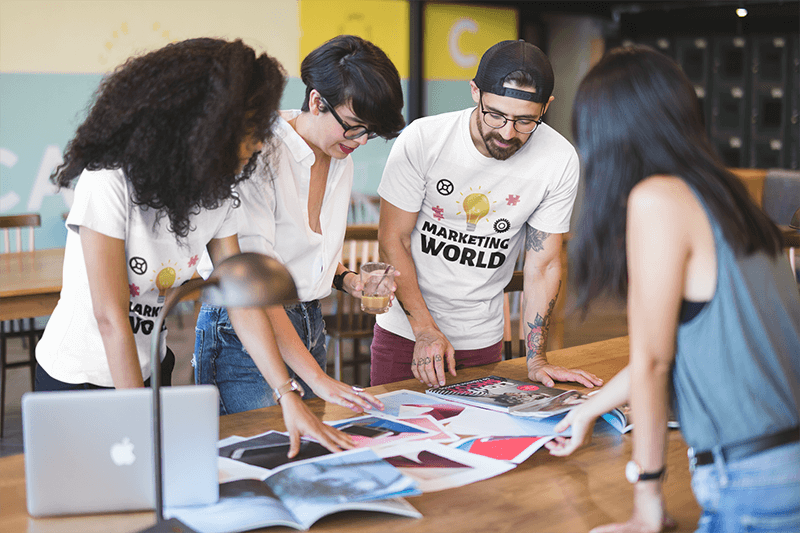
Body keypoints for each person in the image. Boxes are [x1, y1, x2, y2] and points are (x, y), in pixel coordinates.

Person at [36, 38, 356, 456]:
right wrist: (140, 424)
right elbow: (110, 316)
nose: (260, 143)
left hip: (150, 367)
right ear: (207, 125)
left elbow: (242, 303)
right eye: (251, 129)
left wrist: (287, 394)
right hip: (77, 380)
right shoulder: (108, 180)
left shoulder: (217, 194)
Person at [544, 45, 800, 533]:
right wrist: (589, 410)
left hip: (751, 479)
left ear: (607, 134)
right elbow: (672, 349)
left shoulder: (656, 199)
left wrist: (647, 501)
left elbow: (654, 364)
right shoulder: (726, 197)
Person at [371, 39, 603, 390]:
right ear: (475, 92)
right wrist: (424, 330)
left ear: (547, 107)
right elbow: (393, 240)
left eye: (526, 121)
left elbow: (543, 265)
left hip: (482, 339)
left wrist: (536, 357)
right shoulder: (424, 139)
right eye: (495, 114)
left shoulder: (559, 159)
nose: (507, 133)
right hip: (406, 333)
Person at [194, 35, 405, 414]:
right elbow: (255, 286)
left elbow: (306, 253)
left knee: (303, 454)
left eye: (368, 132)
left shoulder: (339, 154)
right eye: (354, 126)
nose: (360, 141)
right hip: (243, 327)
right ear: (316, 101)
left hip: (308, 319)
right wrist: (318, 379)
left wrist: (350, 281)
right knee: (255, 454)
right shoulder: (259, 153)